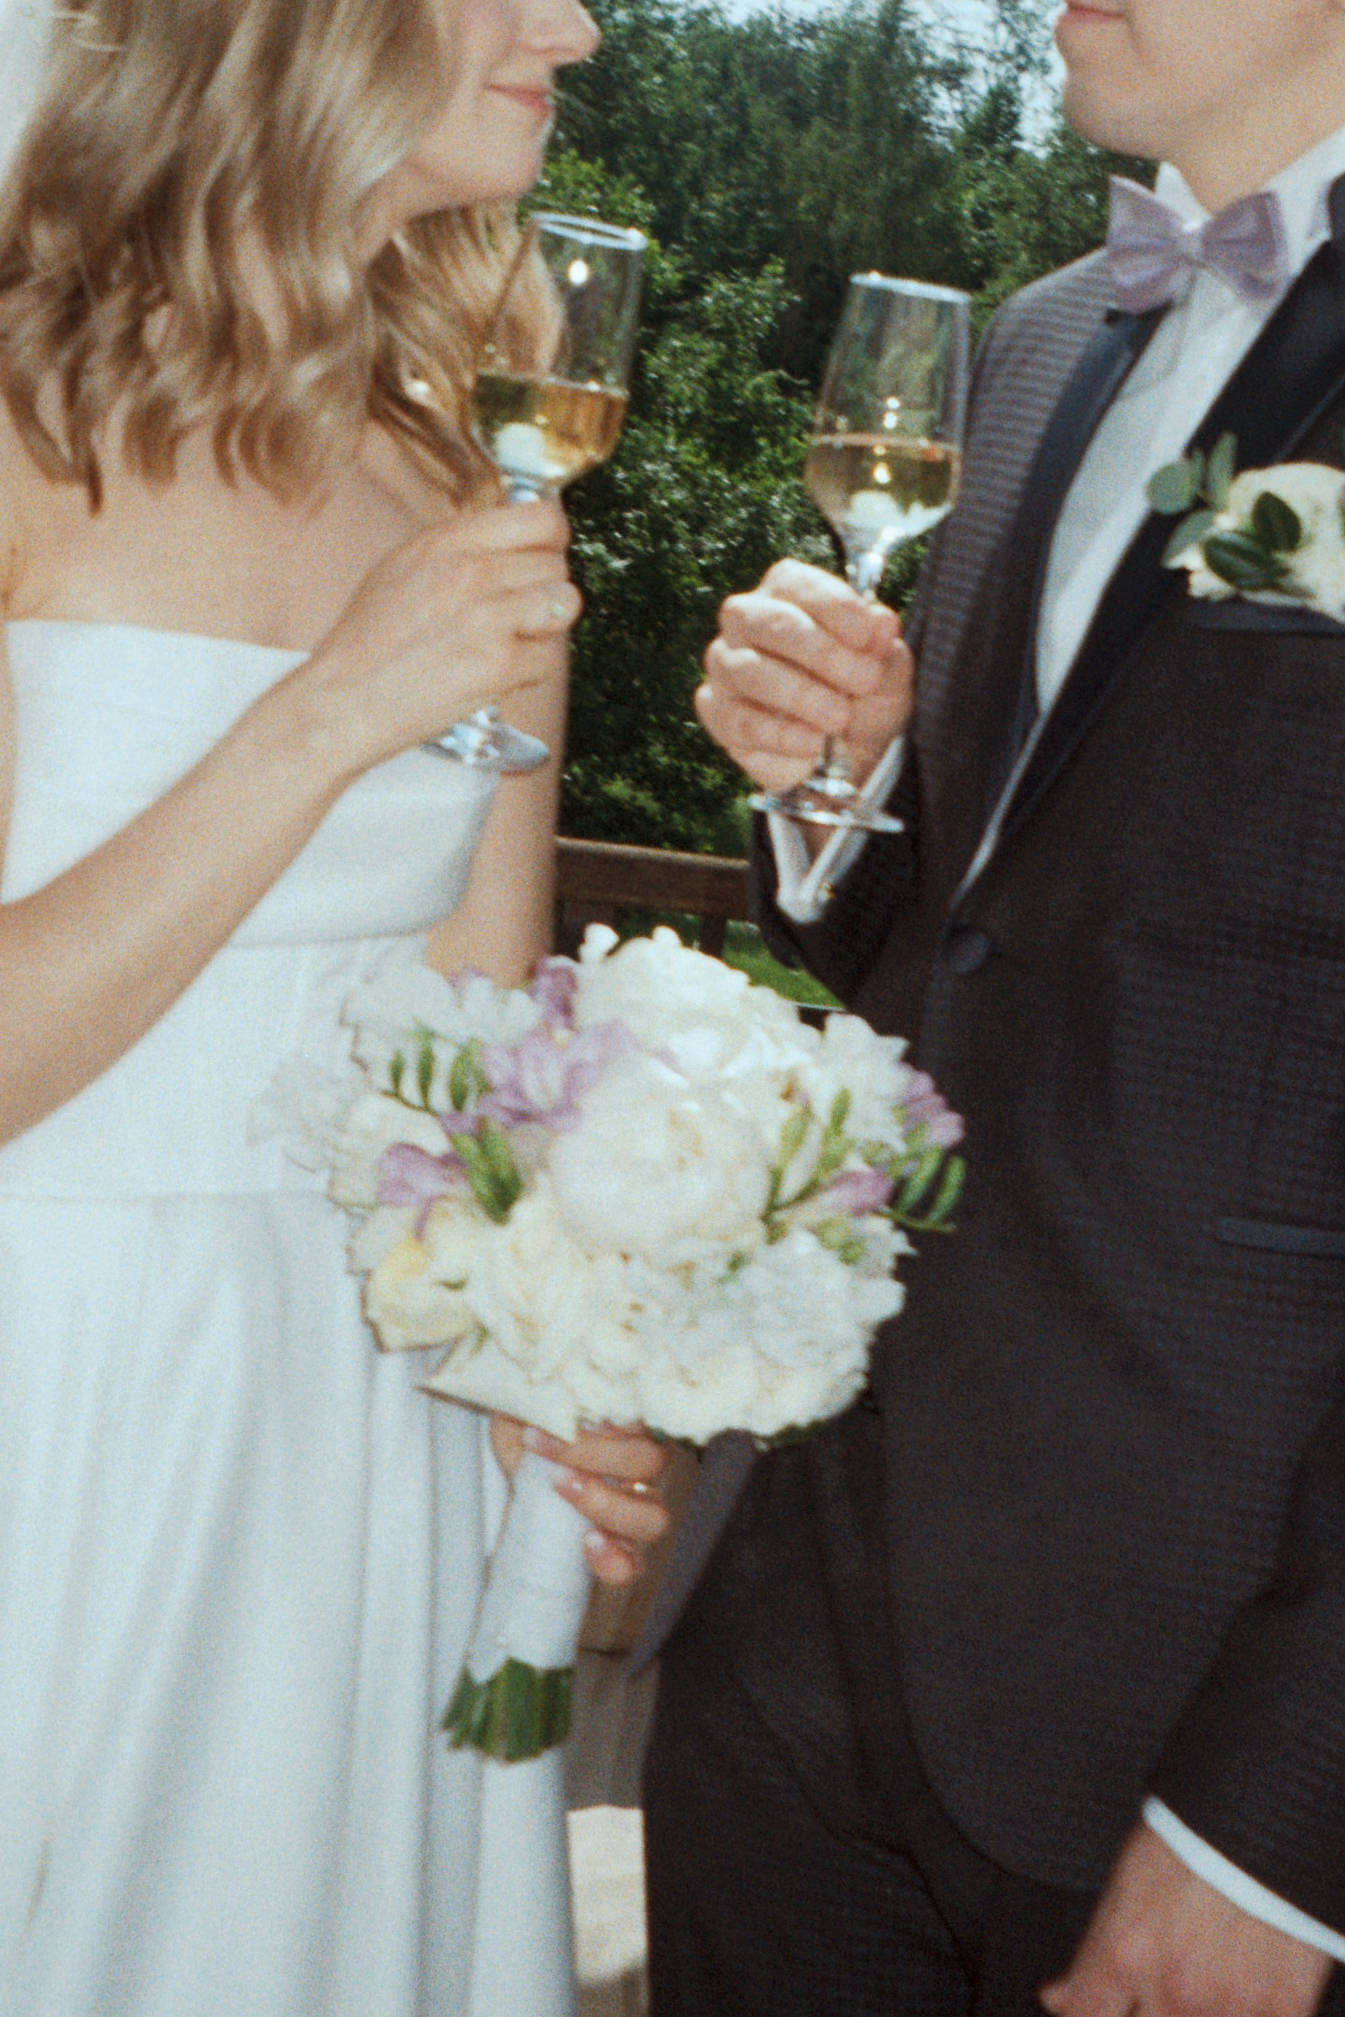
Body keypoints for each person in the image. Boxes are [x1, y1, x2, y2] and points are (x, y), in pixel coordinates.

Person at [638, 3, 1345, 2014]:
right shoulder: (1037, 341)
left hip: (1178, 1696)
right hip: (791, 1618)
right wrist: (842, 786)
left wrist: (1283, 1829)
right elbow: (968, 937)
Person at [0, 0, 670, 2012]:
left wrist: (545, 1370)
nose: (577, 28)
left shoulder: (470, 471)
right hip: (54, 1396)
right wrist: (327, 716)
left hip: (350, 1442)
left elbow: (473, 1050)